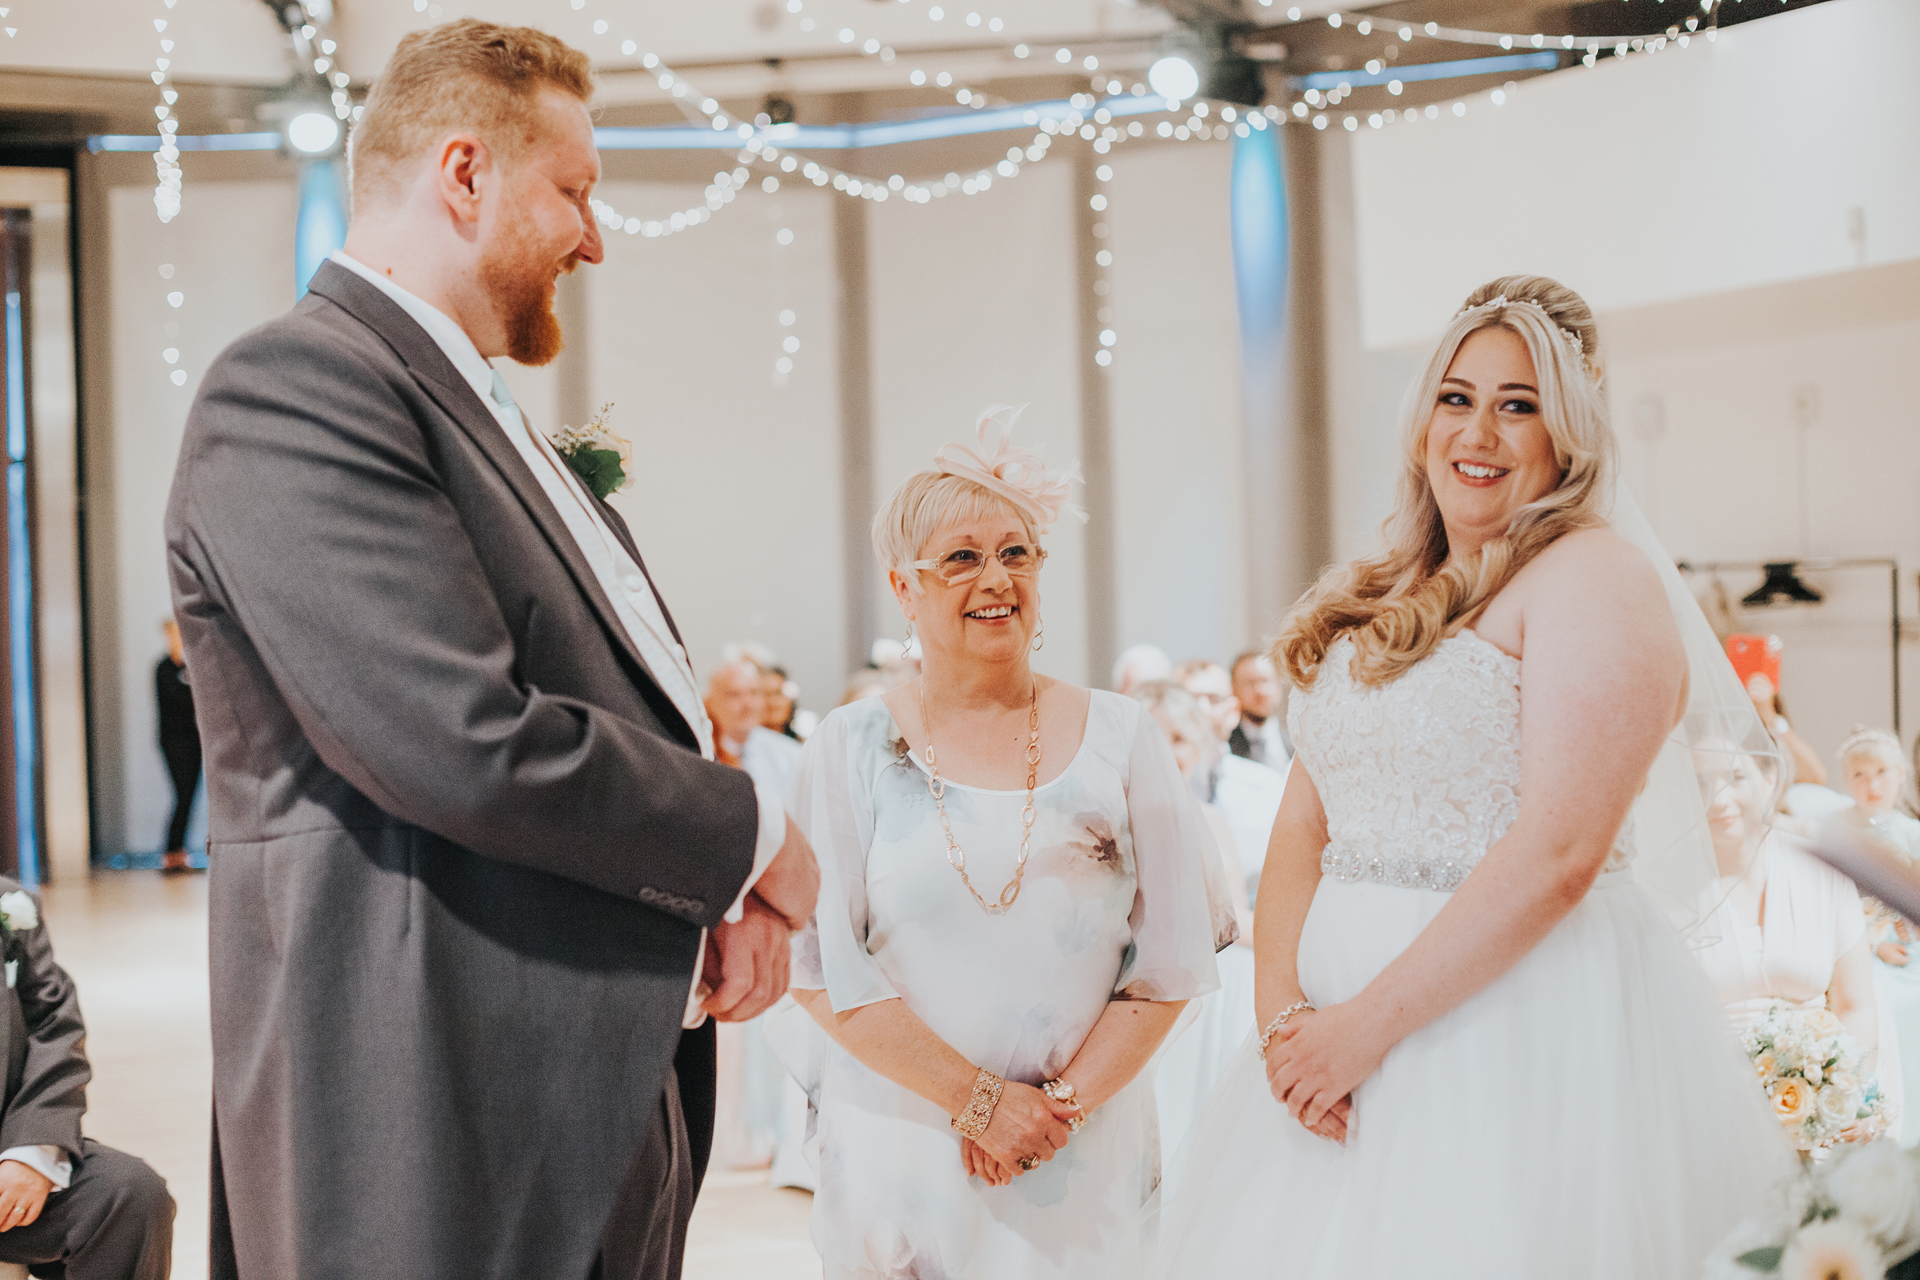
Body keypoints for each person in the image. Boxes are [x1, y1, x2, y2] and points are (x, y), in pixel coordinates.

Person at [164, 21, 818, 1279]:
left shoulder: (466, 402)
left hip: (568, 1074)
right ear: (464, 173)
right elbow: (460, 742)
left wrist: (694, 911)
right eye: (574, 189)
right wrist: (750, 834)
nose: (595, 233)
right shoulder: (297, 388)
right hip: (423, 1104)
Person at [1156, 276, 1792, 1278]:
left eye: (1519, 404)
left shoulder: (1593, 577)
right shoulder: (1391, 589)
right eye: (1458, 397)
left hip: (1503, 1030)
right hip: (1324, 1053)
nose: (1480, 431)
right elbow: (1302, 823)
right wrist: (1284, 1020)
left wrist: (1361, 1030)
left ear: (1567, 437)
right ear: (1423, 421)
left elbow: (1562, 850)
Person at [787, 406, 1228, 1278]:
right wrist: (978, 1103)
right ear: (903, 587)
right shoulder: (848, 747)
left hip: (1081, 1154)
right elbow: (818, 967)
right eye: (961, 557)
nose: (996, 578)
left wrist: (1051, 1110)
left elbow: (1172, 961)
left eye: (1016, 553)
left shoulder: (1124, 737)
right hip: (905, 1153)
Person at [0, 877, 175, 1279]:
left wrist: (30, 1153)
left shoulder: (10, 907)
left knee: (127, 1194)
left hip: (5, 1152)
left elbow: (54, 1029)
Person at [1129, 680, 1257, 1172]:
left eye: (1179, 739)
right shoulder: (1110, 818)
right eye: (1154, 738)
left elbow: (1229, 917)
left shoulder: (1209, 819)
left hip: (1209, 986)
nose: (1167, 752)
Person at [153, 620, 199, 876]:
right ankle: (171, 852)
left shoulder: (190, 667)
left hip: (194, 743)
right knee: (181, 796)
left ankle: (179, 851)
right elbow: (182, 700)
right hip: (174, 743)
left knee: (189, 797)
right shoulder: (164, 669)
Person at [1227, 650, 1290, 769]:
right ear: (1233, 689)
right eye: (1250, 683)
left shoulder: (1296, 744)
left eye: (1266, 681)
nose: (1260, 691)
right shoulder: (1225, 746)